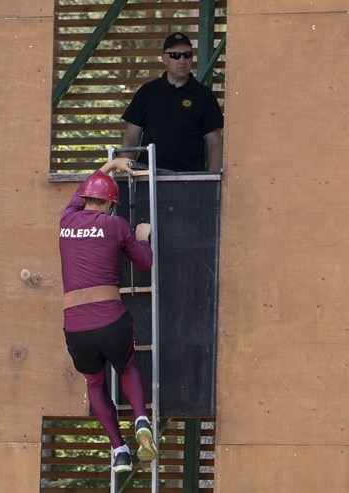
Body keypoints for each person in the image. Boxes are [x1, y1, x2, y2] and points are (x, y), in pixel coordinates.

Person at [59, 158, 158, 472]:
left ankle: (119, 451)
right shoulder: (116, 225)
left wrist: (111, 165)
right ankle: (141, 420)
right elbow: (143, 262)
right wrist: (142, 236)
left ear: (85, 198)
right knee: (126, 364)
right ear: (110, 204)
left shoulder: (66, 220)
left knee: (94, 384)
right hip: (110, 320)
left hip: (76, 326)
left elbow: (85, 188)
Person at [121, 32, 224, 172]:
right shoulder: (147, 92)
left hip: (189, 180)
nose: (182, 60)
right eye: (175, 55)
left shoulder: (204, 96)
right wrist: (126, 173)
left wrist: (212, 183)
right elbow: (131, 138)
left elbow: (215, 144)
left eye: (187, 55)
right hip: (148, 177)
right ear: (164, 59)